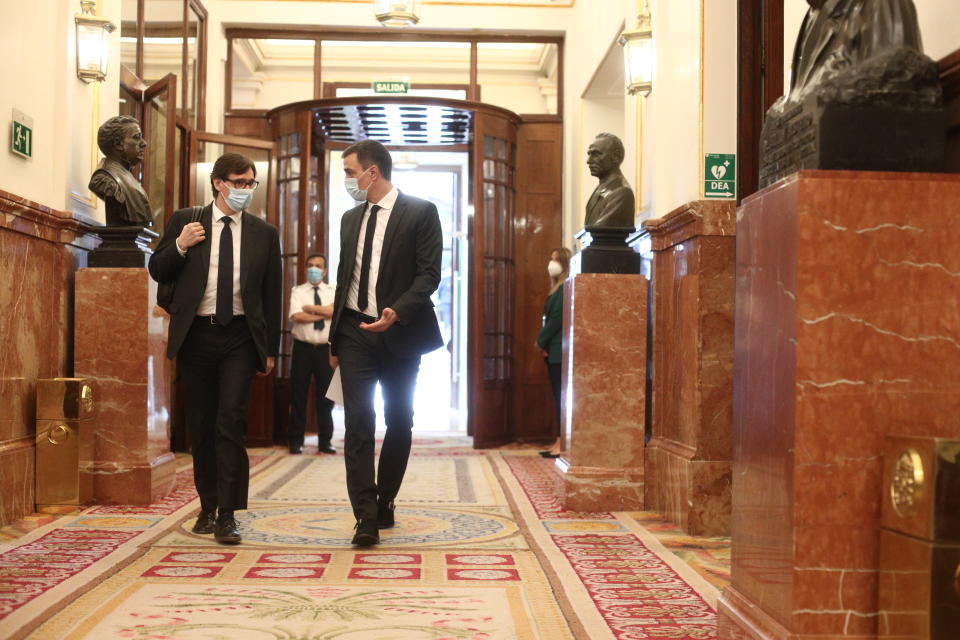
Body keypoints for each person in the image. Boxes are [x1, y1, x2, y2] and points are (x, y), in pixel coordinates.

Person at [148, 152, 282, 546]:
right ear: (219, 183)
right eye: (239, 182)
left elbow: (271, 294)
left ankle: (228, 514)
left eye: (250, 183)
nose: (246, 190)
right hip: (197, 336)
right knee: (202, 425)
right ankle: (207, 507)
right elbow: (158, 269)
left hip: (241, 336)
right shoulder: (186, 221)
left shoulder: (263, 233)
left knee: (231, 422)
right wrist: (180, 245)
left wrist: (269, 348)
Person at [328, 139, 443, 547]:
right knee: (358, 421)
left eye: (348, 171)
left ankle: (386, 497)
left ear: (371, 172)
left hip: (400, 334)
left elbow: (429, 276)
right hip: (355, 332)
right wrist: (335, 339)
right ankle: (366, 515)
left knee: (399, 420)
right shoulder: (348, 219)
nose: (347, 180)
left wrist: (396, 310)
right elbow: (345, 279)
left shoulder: (421, 212)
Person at [288, 253, 336, 455]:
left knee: (326, 399)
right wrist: (323, 311)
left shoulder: (334, 291)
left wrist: (312, 309)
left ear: (325, 270)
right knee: (298, 396)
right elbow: (296, 316)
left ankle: (325, 442)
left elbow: (336, 313)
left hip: (326, 351)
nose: (314, 269)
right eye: (310, 265)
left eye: (318, 266)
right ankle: (296, 442)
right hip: (303, 349)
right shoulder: (297, 291)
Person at [536, 247, 571, 458]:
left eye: (555, 260)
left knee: (561, 397)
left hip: (559, 350)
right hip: (553, 350)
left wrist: (540, 341)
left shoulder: (564, 288)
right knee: (557, 397)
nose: (551, 263)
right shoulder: (557, 288)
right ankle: (558, 441)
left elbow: (556, 319)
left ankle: (561, 443)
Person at [88, 115, 153, 226]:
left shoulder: (127, 176)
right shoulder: (105, 179)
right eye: (136, 137)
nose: (144, 143)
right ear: (119, 144)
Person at [583, 133, 635, 228]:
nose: (589, 160)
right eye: (589, 154)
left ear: (616, 156)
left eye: (596, 154)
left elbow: (600, 232)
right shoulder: (602, 189)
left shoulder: (621, 192)